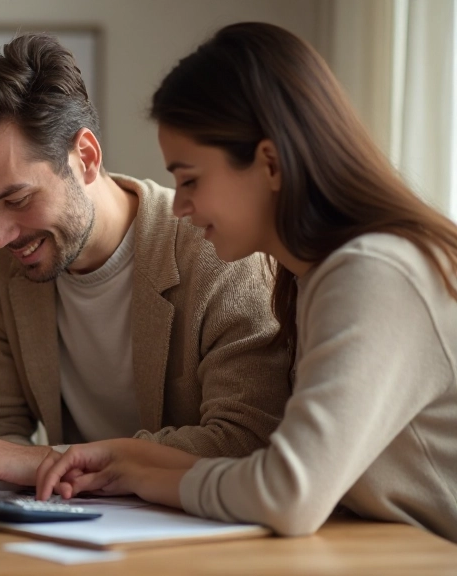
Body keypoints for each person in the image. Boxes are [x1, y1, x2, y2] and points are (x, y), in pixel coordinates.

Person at [36, 22, 457, 543]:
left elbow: (289, 493)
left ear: (270, 162)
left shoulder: (374, 272)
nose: (181, 205)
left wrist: (147, 476)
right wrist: (127, 459)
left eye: (190, 179)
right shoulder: (313, 278)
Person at [0, 33, 293, 493]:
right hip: (74, 533)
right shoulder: (5, 262)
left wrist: (47, 462)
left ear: (86, 157)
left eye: (17, 199)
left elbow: (246, 440)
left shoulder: (220, 253)